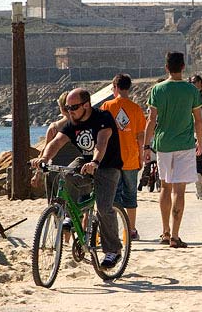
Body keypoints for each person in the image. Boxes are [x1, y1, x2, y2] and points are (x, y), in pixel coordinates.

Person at [30, 88, 123, 269]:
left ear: (86, 105)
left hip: (107, 165)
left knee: (104, 208)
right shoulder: (72, 122)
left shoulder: (103, 118)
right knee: (67, 175)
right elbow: (56, 142)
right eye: (67, 107)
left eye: (74, 107)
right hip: (85, 161)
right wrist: (44, 159)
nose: (70, 111)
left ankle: (113, 251)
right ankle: (71, 217)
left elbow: (101, 143)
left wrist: (95, 161)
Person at [144, 52, 202, 248]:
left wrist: (146, 145)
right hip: (184, 144)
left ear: (166, 67)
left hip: (163, 144)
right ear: (183, 66)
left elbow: (151, 120)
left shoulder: (157, 89)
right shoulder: (191, 90)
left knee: (165, 187)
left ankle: (165, 232)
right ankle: (176, 236)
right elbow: (198, 120)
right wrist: (200, 142)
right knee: (180, 190)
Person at [101, 74, 146, 241]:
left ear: (116, 87)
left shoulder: (107, 106)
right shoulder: (136, 108)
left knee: (113, 196)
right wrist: (141, 156)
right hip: (131, 158)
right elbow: (140, 135)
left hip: (111, 160)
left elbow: (101, 132)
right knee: (131, 195)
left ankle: (113, 230)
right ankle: (131, 230)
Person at [30, 91, 70, 190]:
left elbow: (45, 151)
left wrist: (37, 174)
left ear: (61, 108)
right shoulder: (85, 125)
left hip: (55, 170)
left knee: (55, 203)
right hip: (78, 171)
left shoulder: (55, 127)